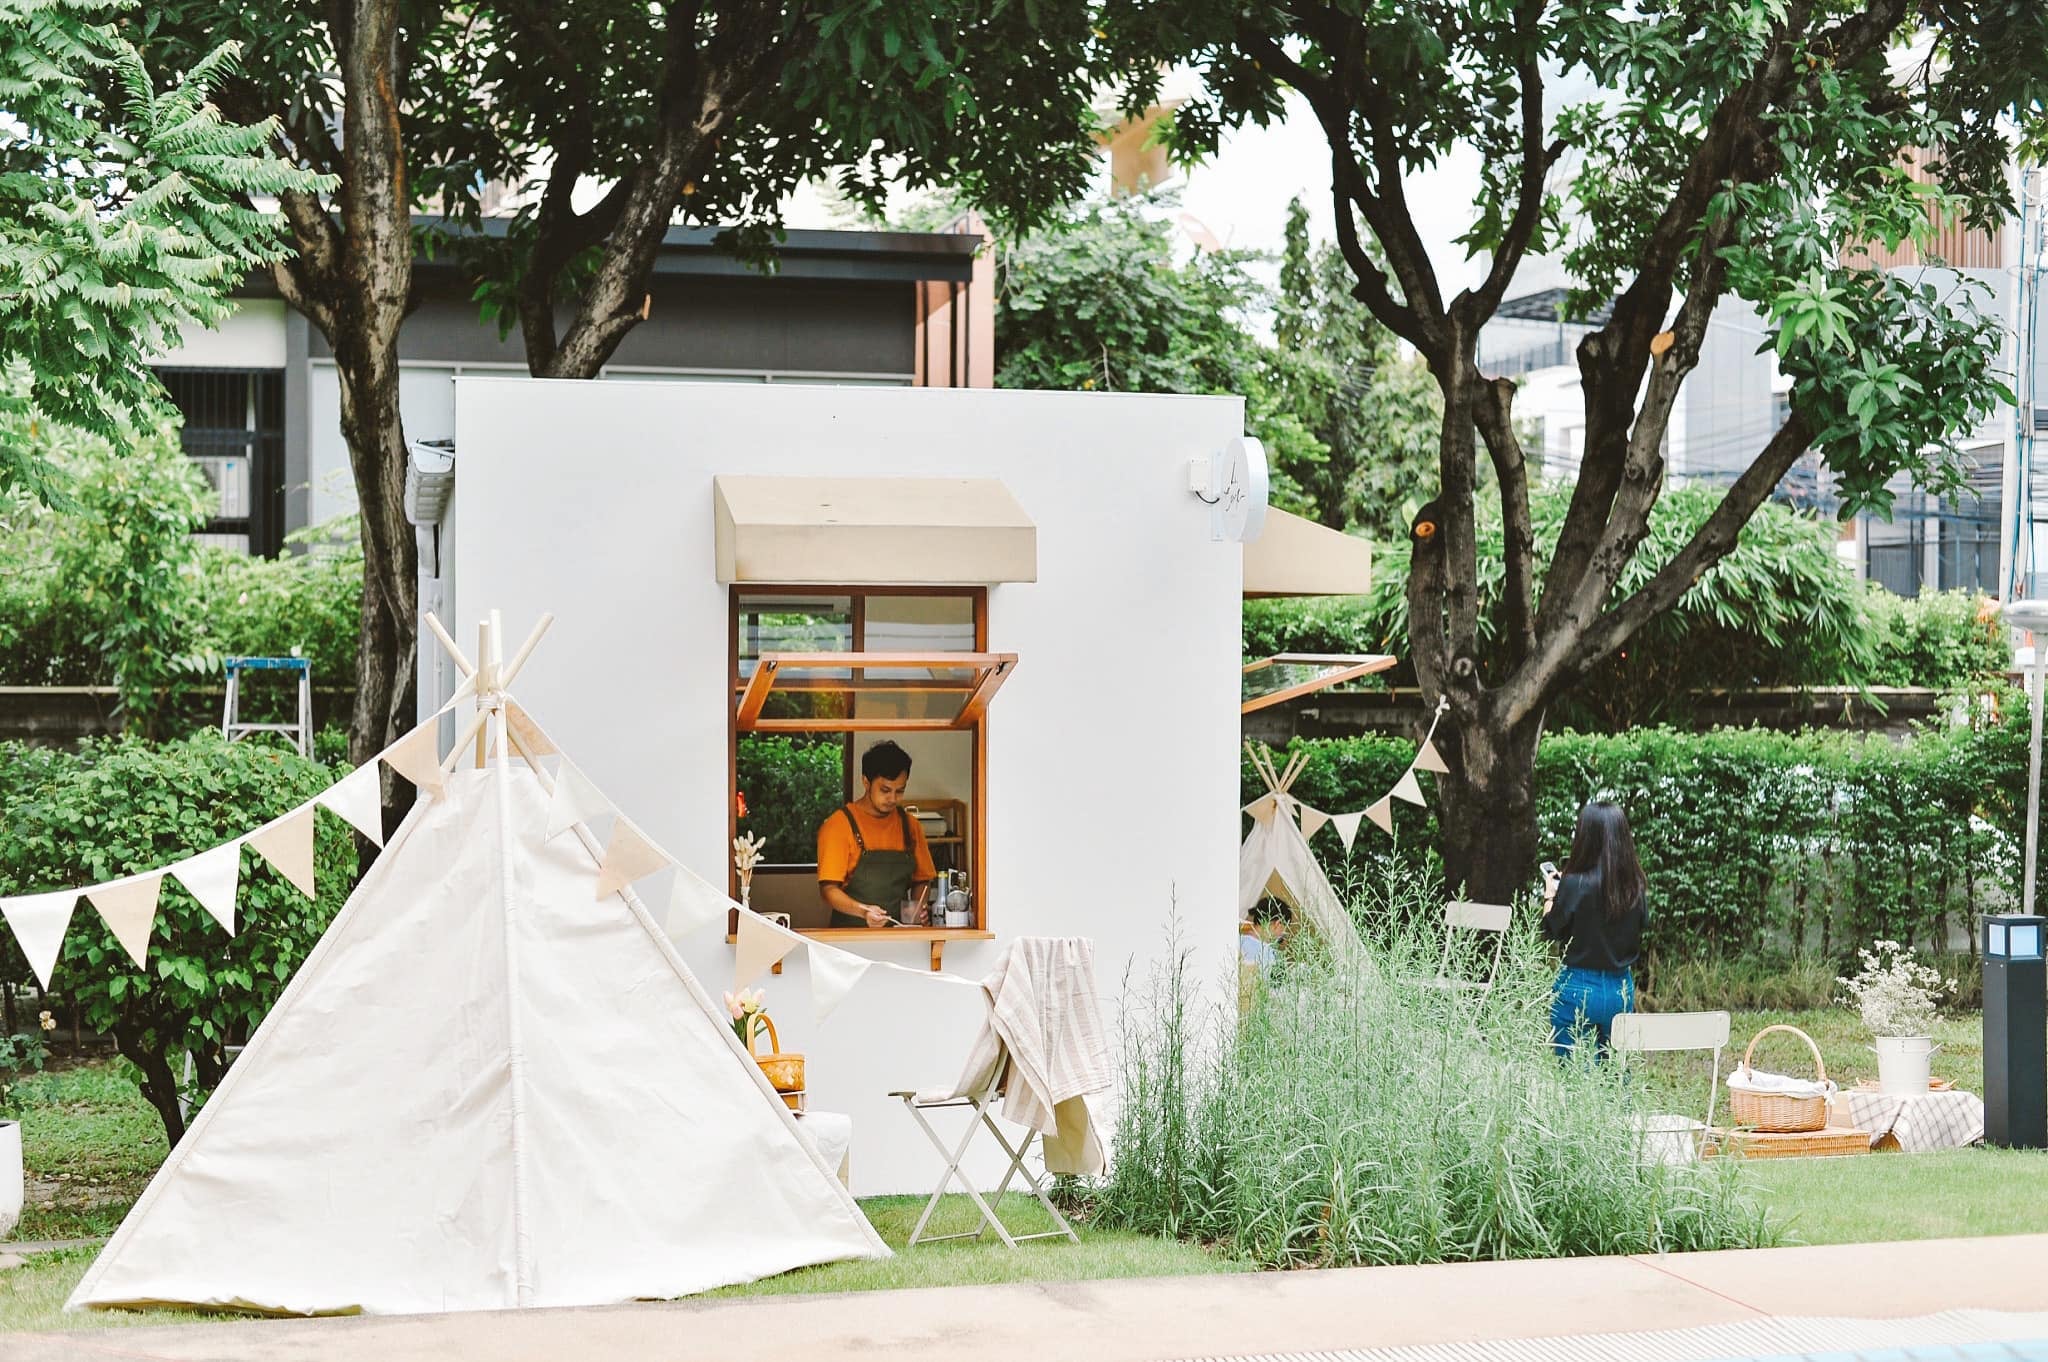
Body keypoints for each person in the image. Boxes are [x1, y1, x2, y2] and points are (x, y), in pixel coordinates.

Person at [1541, 801, 1648, 1059]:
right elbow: (1642, 926)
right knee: (1615, 1074)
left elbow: (1551, 929)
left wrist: (1550, 896)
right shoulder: (1635, 886)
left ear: (1584, 838)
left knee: (1575, 1075)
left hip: (1577, 986)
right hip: (1620, 989)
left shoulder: (1573, 883)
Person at [816, 740, 936, 928]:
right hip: (849, 935)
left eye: (900, 791)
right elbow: (828, 890)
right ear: (866, 782)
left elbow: (923, 880)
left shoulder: (910, 826)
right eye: (885, 790)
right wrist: (864, 911)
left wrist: (916, 910)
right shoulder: (838, 825)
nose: (892, 798)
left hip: (898, 934)